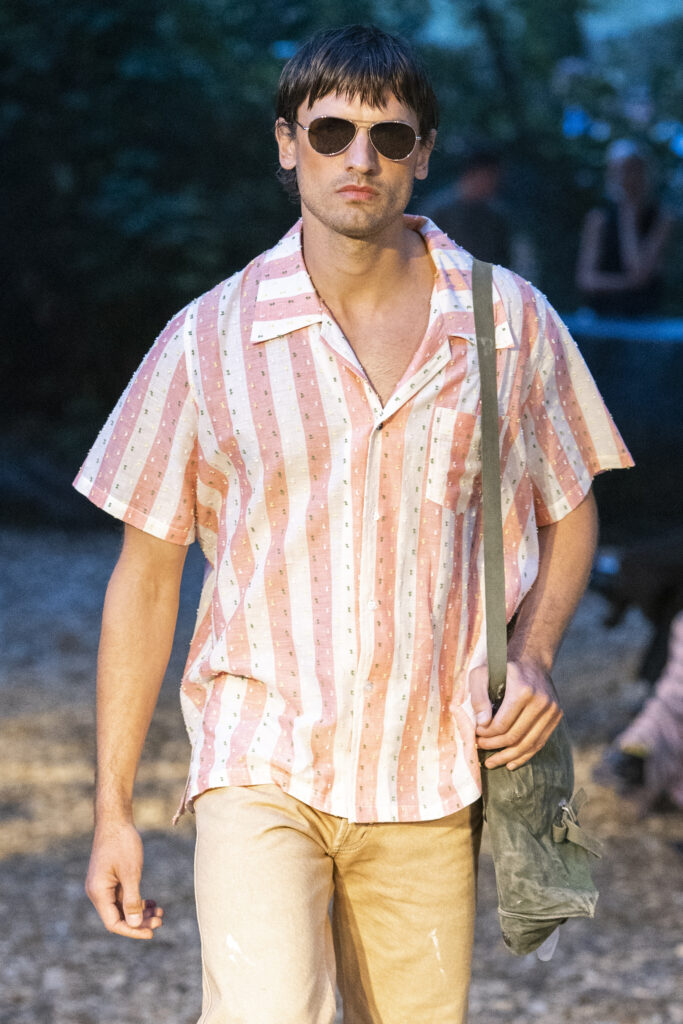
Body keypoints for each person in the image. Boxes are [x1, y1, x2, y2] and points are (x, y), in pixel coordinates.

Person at [74, 24, 633, 1024]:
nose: (358, 159)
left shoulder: (507, 320)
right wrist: (112, 809)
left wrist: (535, 653)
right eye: (330, 131)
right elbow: (146, 576)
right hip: (259, 756)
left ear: (424, 152)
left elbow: (569, 507)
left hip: (430, 768)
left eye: (389, 136)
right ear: (286, 143)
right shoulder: (207, 338)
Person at [575, 139, 676, 318]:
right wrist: (629, 283)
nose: (630, 178)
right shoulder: (599, 218)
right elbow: (586, 280)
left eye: (636, 170)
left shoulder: (662, 218)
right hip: (601, 315)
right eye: (623, 171)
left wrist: (629, 215)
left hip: (645, 317)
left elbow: (638, 270)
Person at [425, 147, 512, 267]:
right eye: (488, 177)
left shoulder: (497, 215)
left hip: (483, 274)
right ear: (472, 174)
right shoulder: (439, 210)